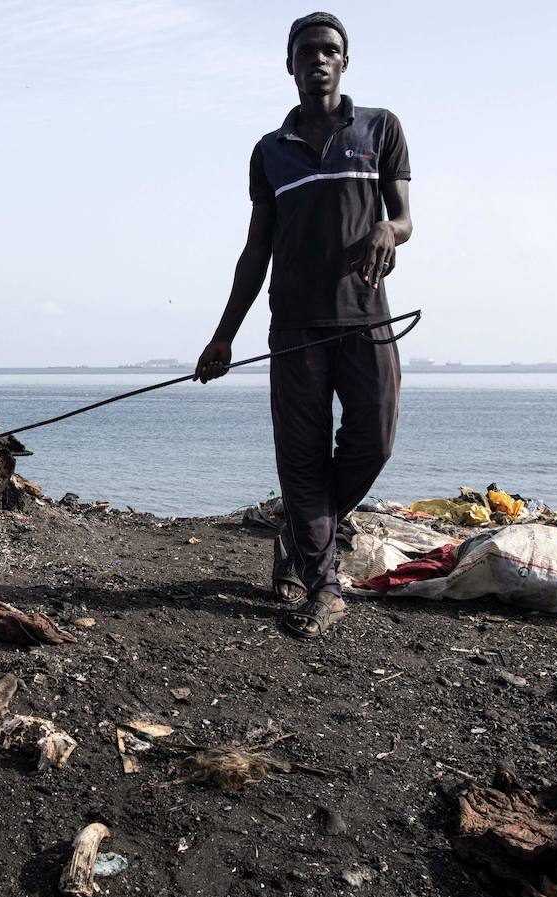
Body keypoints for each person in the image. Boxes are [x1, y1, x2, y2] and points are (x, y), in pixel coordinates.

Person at [195, 12, 412, 639]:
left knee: (374, 442)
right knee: (301, 458)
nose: (319, 59)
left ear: (345, 61)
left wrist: (386, 229)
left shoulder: (380, 128)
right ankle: (323, 585)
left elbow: (403, 218)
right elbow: (255, 251)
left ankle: (298, 534)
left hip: (367, 316)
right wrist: (223, 335)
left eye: (330, 50)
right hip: (293, 326)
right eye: (307, 52)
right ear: (290, 65)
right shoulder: (271, 151)